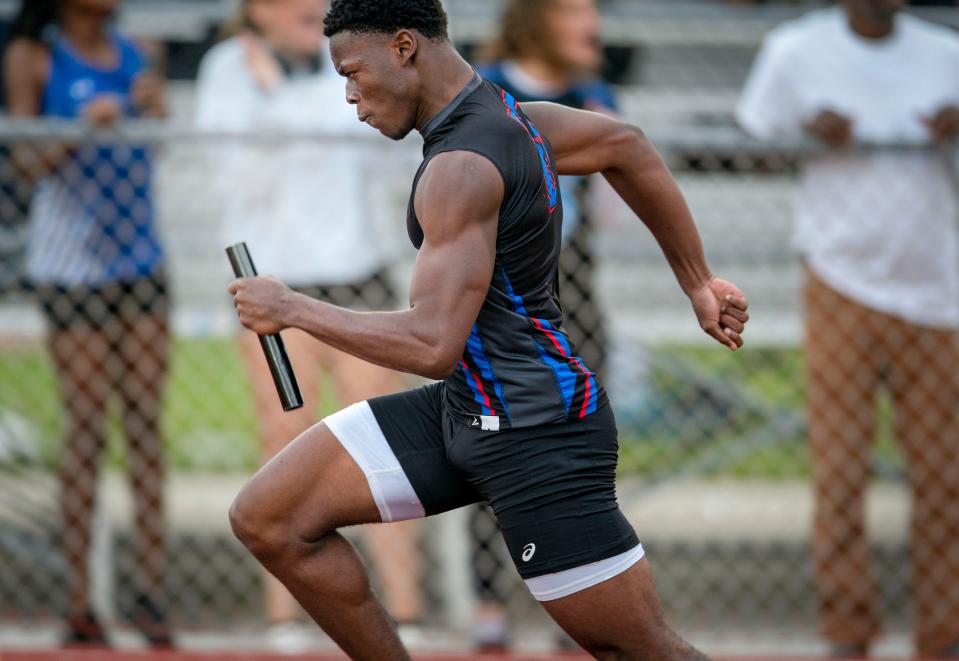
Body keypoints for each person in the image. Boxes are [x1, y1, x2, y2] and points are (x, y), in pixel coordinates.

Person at [227, 1, 749, 659]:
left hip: (536, 427)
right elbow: (627, 145)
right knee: (270, 517)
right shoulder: (513, 119)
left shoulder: (460, 166)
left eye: (354, 73)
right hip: (467, 410)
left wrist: (293, 308)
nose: (350, 96)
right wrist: (696, 280)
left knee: (636, 648)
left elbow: (431, 344)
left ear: (404, 47)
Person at [193, 0, 423, 650]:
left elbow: (378, 143)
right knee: (284, 440)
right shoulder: (228, 68)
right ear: (255, 9)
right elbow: (232, 171)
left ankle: (402, 609)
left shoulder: (346, 60)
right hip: (275, 286)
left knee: (381, 448)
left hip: (356, 278)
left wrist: (280, 109)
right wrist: (279, 103)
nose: (311, 7)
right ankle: (285, 615)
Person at [736, 1, 959, 658]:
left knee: (942, 474)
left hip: (934, 287)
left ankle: (942, 632)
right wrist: (803, 136)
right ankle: (846, 629)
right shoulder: (794, 50)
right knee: (839, 466)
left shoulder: (946, 51)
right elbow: (745, 152)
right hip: (838, 276)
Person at [2, 0, 171, 649]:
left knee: (145, 424)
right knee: (86, 423)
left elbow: (153, 152)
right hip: (71, 265)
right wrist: (78, 125)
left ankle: (151, 593)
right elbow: (27, 161)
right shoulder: (35, 55)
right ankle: (82, 599)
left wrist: (156, 115)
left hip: (141, 255)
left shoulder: (140, 53)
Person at [471, 0, 619, 648]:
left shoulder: (592, 96)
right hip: (498, 283)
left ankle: (580, 599)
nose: (593, 27)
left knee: (578, 448)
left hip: (571, 283)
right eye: (575, 12)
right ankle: (487, 599)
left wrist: (609, 139)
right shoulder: (486, 87)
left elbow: (611, 219)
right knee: (486, 440)